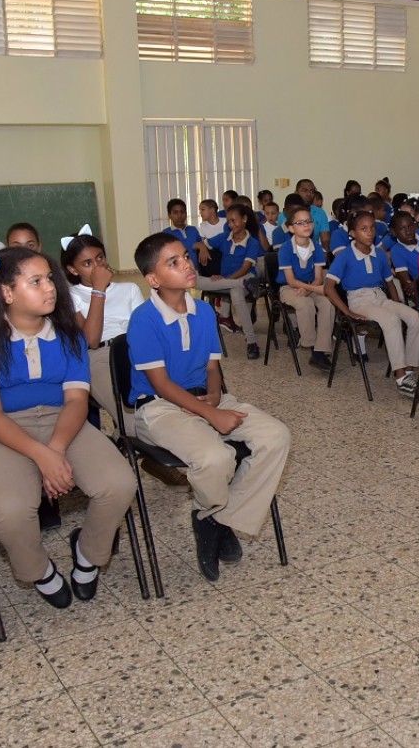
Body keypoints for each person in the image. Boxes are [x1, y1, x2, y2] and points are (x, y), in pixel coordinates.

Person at [0, 248, 137, 608]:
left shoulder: (69, 335)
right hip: (1, 429)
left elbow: (76, 401)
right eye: (36, 281)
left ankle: (88, 553)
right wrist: (42, 456)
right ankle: (38, 570)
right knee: (10, 513)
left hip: (63, 420)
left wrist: (55, 450)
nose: (50, 287)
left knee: (119, 484)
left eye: (50, 279)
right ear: (7, 293)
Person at [127, 233, 290, 582]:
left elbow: (213, 367)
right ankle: (210, 512)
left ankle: (215, 517)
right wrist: (211, 414)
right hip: (160, 407)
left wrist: (215, 397)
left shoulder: (202, 311)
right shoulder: (143, 319)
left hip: (206, 397)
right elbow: (161, 384)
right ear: (153, 279)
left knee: (276, 436)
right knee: (216, 458)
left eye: (185, 257)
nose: (186, 264)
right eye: (173, 262)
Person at [325, 211, 419, 395]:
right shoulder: (345, 255)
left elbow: (389, 283)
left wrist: (398, 305)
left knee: (414, 317)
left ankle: (410, 369)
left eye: (372, 228)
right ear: (353, 233)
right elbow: (328, 287)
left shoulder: (379, 254)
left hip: (380, 297)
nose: (370, 232)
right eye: (364, 229)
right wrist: (347, 312)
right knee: (391, 320)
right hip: (359, 300)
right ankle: (401, 377)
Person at [61, 232, 144, 421]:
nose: (98, 266)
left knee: (157, 403)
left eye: (100, 257)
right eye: (87, 263)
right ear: (73, 270)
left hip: (133, 350)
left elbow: (142, 332)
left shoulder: (129, 288)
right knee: (130, 418)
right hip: (99, 356)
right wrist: (98, 290)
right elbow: (91, 340)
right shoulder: (70, 296)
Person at [197, 204, 262, 359]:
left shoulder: (252, 243)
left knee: (236, 294)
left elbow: (245, 268)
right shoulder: (224, 237)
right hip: (232, 281)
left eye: (234, 220)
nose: (231, 224)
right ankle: (241, 285)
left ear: (244, 219)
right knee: (196, 282)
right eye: (228, 221)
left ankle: (251, 342)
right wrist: (203, 248)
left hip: (246, 277)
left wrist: (225, 280)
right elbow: (199, 244)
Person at [276, 205, 333, 372]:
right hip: (289, 288)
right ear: (291, 228)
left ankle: (320, 350)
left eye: (309, 221)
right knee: (305, 303)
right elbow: (291, 280)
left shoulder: (317, 248)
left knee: (328, 304)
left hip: (311, 285)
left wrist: (308, 290)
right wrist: (307, 290)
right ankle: (312, 345)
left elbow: (318, 278)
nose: (306, 225)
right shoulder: (285, 249)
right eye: (300, 223)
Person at [295, 179, 333, 250]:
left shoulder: (320, 213)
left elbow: (325, 240)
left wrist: (324, 252)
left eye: (312, 191)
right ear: (296, 193)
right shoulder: (286, 214)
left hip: (315, 252)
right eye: (305, 190)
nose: (309, 194)